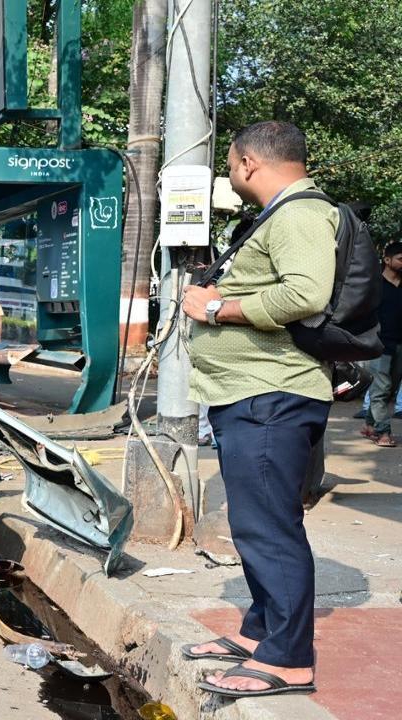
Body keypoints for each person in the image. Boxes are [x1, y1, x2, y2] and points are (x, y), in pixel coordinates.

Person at [181, 121, 333, 697]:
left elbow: (305, 294)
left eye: (229, 162)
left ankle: (289, 660)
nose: (228, 172)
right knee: (253, 525)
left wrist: (218, 309)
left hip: (272, 394)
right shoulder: (282, 213)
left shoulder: (298, 213)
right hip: (250, 393)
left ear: (248, 162)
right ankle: (260, 632)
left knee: (270, 529)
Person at [360, 241, 402, 447]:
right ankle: (383, 432)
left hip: (399, 344)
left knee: (389, 387)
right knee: (382, 387)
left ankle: (369, 424)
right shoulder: (373, 284)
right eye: (400, 259)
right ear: (387, 260)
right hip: (379, 344)